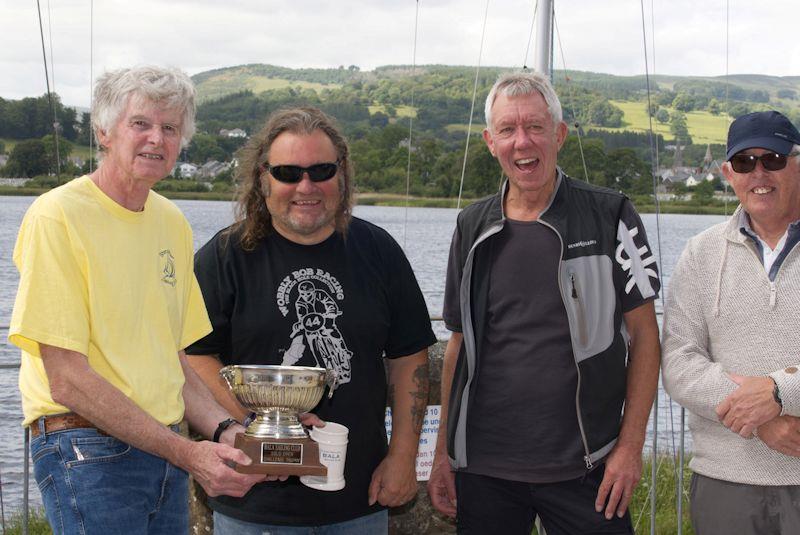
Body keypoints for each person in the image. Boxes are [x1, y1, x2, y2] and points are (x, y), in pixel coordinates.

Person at [8, 65, 266, 535]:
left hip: (164, 449)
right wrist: (188, 453)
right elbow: (65, 378)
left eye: (170, 128)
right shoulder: (57, 216)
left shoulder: (172, 223)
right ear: (104, 131)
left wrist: (229, 431)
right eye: (141, 123)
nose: (156, 139)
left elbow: (173, 364)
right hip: (87, 449)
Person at [427, 71, 661, 535]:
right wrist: (443, 454)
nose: (522, 142)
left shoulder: (611, 213)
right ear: (490, 141)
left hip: (588, 466)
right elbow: (458, 345)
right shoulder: (471, 226)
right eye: (508, 130)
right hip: (485, 467)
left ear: (559, 135)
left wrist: (629, 448)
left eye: (535, 127)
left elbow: (646, 338)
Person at [185, 106, 436, 534]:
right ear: (263, 178)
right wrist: (253, 429)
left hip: (359, 500)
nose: (306, 186)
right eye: (288, 173)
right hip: (251, 499)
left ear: (342, 175)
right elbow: (193, 356)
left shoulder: (379, 252)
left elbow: (410, 356)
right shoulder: (225, 256)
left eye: (321, 170)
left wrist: (402, 457)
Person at [661, 111, 800, 534]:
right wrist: (761, 416)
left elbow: (776, 392)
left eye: (773, 158)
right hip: (725, 484)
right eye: (744, 162)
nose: (759, 173)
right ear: (727, 172)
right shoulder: (700, 254)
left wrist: (781, 391)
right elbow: (679, 362)